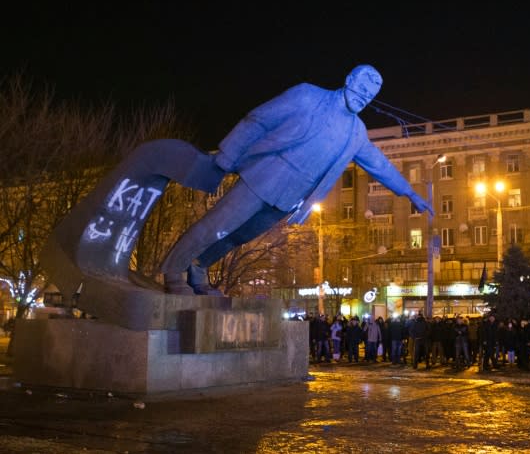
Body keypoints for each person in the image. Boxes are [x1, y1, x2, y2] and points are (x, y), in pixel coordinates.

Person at [160, 65, 433, 294]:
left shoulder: (356, 133)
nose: (364, 97)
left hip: (290, 197)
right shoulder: (307, 96)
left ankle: (198, 267)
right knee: (217, 224)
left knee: (237, 238)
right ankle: (172, 271)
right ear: (349, 80)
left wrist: (409, 193)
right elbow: (259, 119)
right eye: (362, 88)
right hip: (265, 177)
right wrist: (228, 154)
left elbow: (379, 164)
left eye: (370, 96)